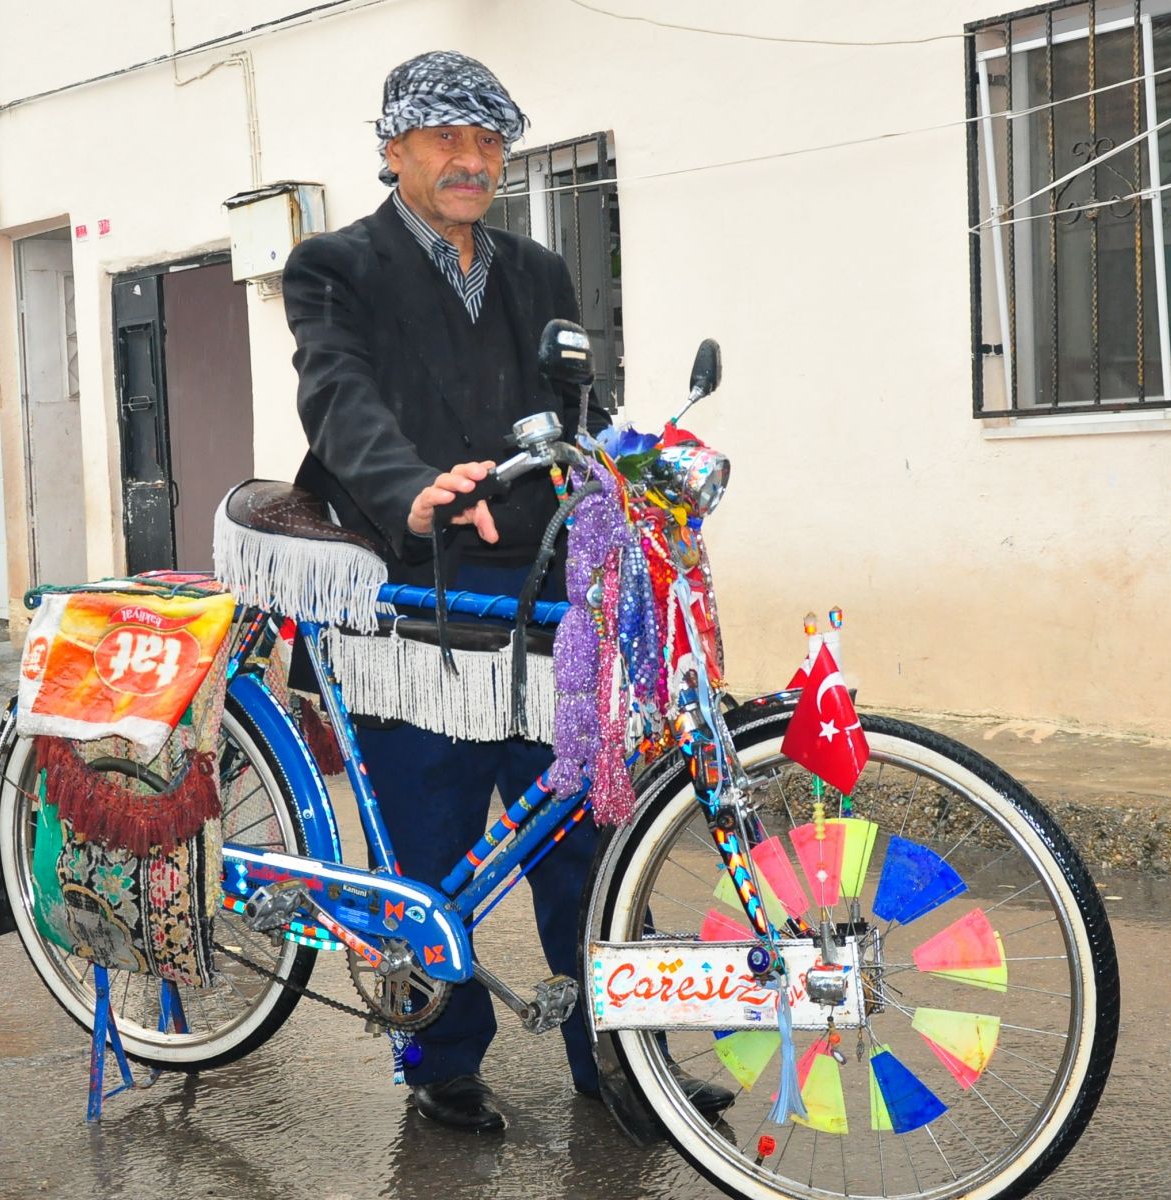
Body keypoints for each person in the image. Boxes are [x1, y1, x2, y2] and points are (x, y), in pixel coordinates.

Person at [282, 50, 732, 1133]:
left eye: (488, 142)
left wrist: (633, 476)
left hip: (542, 596)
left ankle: (621, 1061)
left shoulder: (538, 271)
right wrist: (413, 490)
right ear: (393, 148)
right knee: (428, 848)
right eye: (446, 138)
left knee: (588, 842)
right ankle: (439, 1059)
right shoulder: (334, 265)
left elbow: (577, 409)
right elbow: (337, 398)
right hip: (413, 596)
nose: (471, 160)